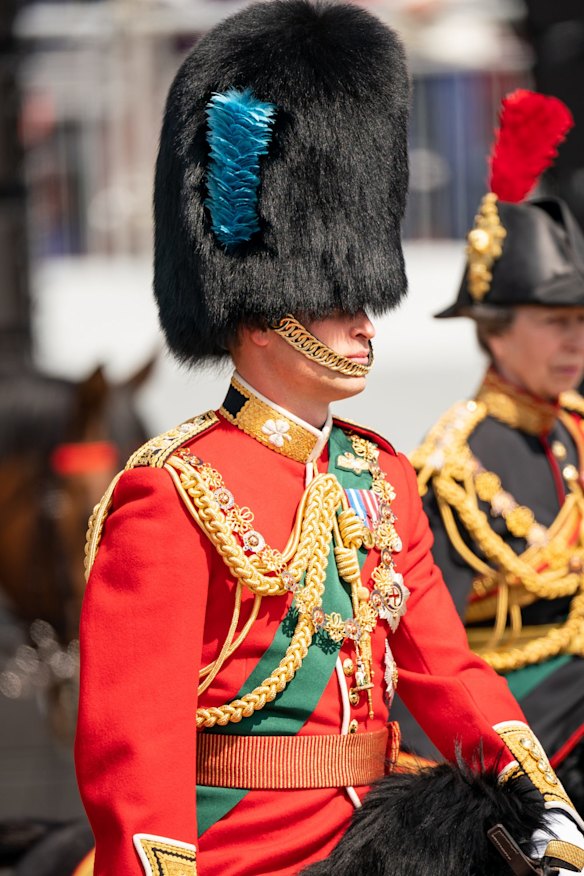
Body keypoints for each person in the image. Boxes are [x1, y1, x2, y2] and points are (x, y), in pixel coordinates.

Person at [74, 13, 584, 876]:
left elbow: (447, 671)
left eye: (362, 293)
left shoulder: (377, 472)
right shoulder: (174, 489)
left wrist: (545, 802)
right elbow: (135, 754)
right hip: (242, 854)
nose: (363, 320)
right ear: (262, 311)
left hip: (377, 839)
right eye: (333, 297)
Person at [396, 90, 584, 816]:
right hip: (523, 732)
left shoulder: (575, 428)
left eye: (580, 321)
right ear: (496, 329)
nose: (574, 341)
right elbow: (421, 647)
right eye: (554, 321)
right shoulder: (454, 466)